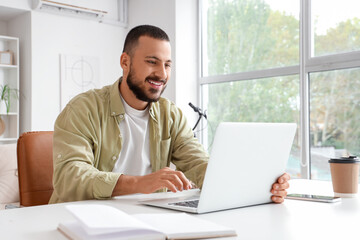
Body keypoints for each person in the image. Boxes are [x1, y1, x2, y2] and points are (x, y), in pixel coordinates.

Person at [49, 25, 290, 204]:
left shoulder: (170, 115)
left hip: (150, 219)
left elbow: (199, 164)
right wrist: (139, 183)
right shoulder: (83, 109)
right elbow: (70, 176)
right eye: (152, 62)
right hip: (87, 220)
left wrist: (259, 186)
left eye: (167, 64)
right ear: (125, 62)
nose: (162, 74)